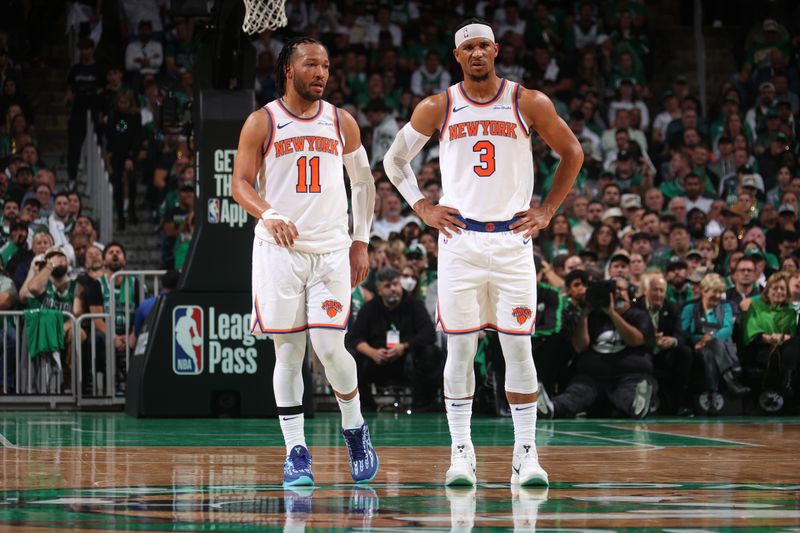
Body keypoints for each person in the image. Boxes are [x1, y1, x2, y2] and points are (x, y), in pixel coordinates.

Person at [383, 18, 583, 487]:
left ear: (496, 51)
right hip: (460, 242)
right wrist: (422, 207)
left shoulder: (527, 101)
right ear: (458, 56)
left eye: (484, 47)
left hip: (513, 240)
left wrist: (549, 209)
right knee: (459, 350)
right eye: (468, 47)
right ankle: (461, 452)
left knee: (518, 349)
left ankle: (526, 455)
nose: (477, 54)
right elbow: (393, 160)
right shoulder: (439, 106)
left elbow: (571, 152)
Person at [231, 37, 379, 486]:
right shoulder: (262, 122)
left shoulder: (341, 121)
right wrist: (269, 213)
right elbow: (240, 184)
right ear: (289, 71)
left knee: (331, 348)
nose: (321, 73)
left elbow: (364, 183)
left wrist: (361, 241)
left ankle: (354, 428)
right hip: (280, 252)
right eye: (312, 65)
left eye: (327, 66)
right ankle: (295, 449)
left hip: (332, 251)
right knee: (289, 353)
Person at [538, 276, 656, 419]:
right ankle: (551, 408)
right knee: (576, 394)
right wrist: (586, 313)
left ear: (630, 292)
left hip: (629, 375)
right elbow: (579, 347)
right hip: (592, 378)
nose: (617, 293)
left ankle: (638, 405)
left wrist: (612, 314)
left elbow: (635, 340)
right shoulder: (593, 317)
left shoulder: (639, 315)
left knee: (627, 393)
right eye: (613, 290)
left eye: (621, 289)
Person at [347, 267, 442, 411]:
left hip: (407, 361)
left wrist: (404, 346)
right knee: (351, 357)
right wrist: (372, 352)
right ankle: (366, 407)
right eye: (387, 286)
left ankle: (423, 407)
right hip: (377, 362)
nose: (393, 289)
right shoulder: (369, 308)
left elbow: (429, 334)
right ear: (379, 290)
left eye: (396, 284)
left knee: (431, 353)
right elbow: (354, 338)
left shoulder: (415, 305)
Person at [681, 273, 750, 414]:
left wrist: (709, 337)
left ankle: (712, 394)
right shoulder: (690, 309)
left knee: (711, 349)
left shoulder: (725, 308)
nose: (718, 295)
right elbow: (684, 331)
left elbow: (727, 330)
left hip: (719, 348)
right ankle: (730, 380)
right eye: (715, 291)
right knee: (710, 346)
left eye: (720, 291)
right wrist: (697, 341)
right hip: (696, 349)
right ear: (704, 291)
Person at [636, 273, 693, 415]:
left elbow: (681, 334)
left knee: (685, 352)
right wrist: (650, 340)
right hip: (642, 350)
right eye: (655, 290)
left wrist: (672, 341)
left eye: (662, 290)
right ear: (645, 291)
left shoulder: (672, 307)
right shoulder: (635, 307)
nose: (659, 294)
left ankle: (680, 405)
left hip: (664, 352)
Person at [741, 272, 798, 410]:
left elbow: (794, 336)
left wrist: (783, 337)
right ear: (768, 291)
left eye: (782, 289)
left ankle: (788, 378)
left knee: (795, 345)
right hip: (761, 349)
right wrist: (769, 338)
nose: (779, 291)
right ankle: (787, 379)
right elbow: (750, 331)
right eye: (775, 288)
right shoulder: (756, 307)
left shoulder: (791, 312)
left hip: (786, 350)